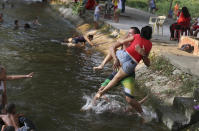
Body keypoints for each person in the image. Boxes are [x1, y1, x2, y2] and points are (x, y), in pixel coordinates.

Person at [93, 26, 153, 117]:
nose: (128, 35)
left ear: (136, 35)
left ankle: (142, 114)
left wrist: (143, 54)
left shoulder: (138, 41)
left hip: (128, 74)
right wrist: (115, 59)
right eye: (128, 33)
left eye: (131, 33)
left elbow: (148, 64)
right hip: (118, 70)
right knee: (100, 90)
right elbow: (112, 48)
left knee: (129, 99)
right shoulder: (125, 42)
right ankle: (91, 106)